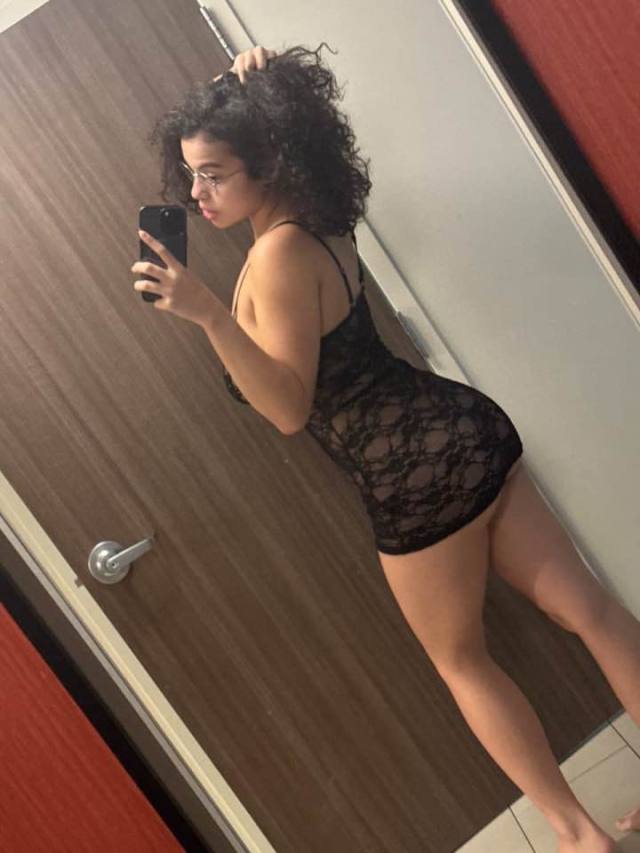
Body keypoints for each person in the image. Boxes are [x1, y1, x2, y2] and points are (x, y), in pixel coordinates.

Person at [130, 44, 640, 851]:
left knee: (463, 661)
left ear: (268, 159)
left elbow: (289, 409)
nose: (197, 194)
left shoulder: (277, 256)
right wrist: (246, 85)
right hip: (461, 428)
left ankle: (579, 834)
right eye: (192, 175)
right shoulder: (318, 220)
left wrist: (207, 314)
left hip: (409, 476)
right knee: (591, 610)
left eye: (214, 174)